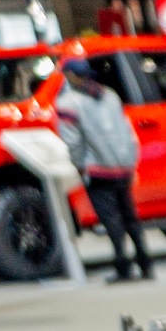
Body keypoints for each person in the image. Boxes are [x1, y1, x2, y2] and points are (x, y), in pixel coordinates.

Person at [54, 58, 150, 281]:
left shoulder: (68, 103)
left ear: (71, 75)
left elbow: (73, 141)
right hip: (123, 165)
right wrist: (130, 160)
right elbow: (126, 130)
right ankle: (145, 263)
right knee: (130, 216)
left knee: (112, 220)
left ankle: (123, 266)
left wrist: (79, 166)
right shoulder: (110, 96)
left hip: (98, 169)